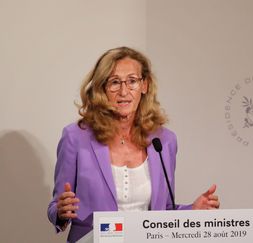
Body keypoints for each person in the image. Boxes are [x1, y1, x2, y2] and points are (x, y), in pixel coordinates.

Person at [47, 46, 220, 242]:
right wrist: (61, 212)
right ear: (102, 88)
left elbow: (163, 210)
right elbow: (55, 206)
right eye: (114, 82)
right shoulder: (76, 137)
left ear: (144, 85)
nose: (123, 91)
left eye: (132, 81)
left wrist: (193, 210)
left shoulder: (163, 141)